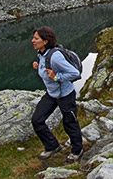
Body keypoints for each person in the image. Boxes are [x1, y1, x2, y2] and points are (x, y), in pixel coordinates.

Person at [31, 26, 83, 161]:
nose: (33, 41)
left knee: (70, 123)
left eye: (36, 38)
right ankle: (52, 146)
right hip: (52, 94)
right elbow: (46, 68)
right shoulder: (41, 53)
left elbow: (74, 73)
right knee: (37, 120)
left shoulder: (55, 56)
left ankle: (77, 151)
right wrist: (39, 66)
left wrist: (56, 77)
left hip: (65, 95)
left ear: (45, 41)